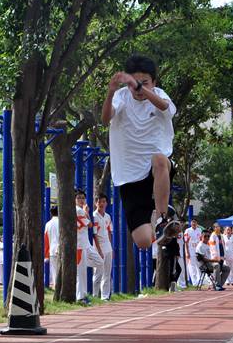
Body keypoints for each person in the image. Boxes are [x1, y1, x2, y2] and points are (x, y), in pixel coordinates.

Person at [101, 54, 177, 250]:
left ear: (154, 83)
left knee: (159, 159)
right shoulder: (121, 97)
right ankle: (154, 219)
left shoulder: (160, 95)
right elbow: (105, 118)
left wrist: (140, 87)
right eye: (133, 84)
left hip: (156, 168)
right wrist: (110, 92)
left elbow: (165, 107)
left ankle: (161, 219)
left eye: (144, 83)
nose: (138, 89)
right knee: (143, 242)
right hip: (129, 176)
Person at [74, 190, 103, 305]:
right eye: (79, 198)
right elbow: (90, 224)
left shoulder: (80, 210)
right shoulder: (79, 210)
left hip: (86, 244)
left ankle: (82, 296)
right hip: (80, 245)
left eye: (83, 198)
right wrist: (86, 212)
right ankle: (81, 297)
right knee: (81, 274)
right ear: (74, 199)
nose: (81, 200)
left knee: (100, 262)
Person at [91, 194, 114, 300]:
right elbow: (94, 234)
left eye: (104, 201)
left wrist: (111, 247)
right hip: (98, 248)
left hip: (108, 248)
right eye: (99, 202)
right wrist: (99, 250)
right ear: (96, 203)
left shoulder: (108, 216)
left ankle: (105, 296)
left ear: (106, 203)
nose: (101, 204)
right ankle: (95, 296)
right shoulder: (94, 216)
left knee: (107, 273)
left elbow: (109, 232)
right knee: (98, 273)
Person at [44, 205, 60, 290]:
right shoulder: (62, 222)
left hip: (52, 250)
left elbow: (46, 239)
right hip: (62, 249)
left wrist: (46, 255)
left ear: (51, 213)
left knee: (55, 272)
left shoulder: (48, 224)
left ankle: (57, 289)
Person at [183, 217, 203, 285]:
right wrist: (187, 252)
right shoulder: (187, 231)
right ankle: (194, 282)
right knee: (192, 267)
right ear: (190, 223)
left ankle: (200, 281)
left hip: (198, 251)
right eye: (192, 222)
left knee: (199, 266)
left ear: (197, 223)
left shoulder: (199, 230)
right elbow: (186, 242)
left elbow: (201, 241)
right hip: (191, 251)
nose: (194, 223)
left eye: (195, 222)